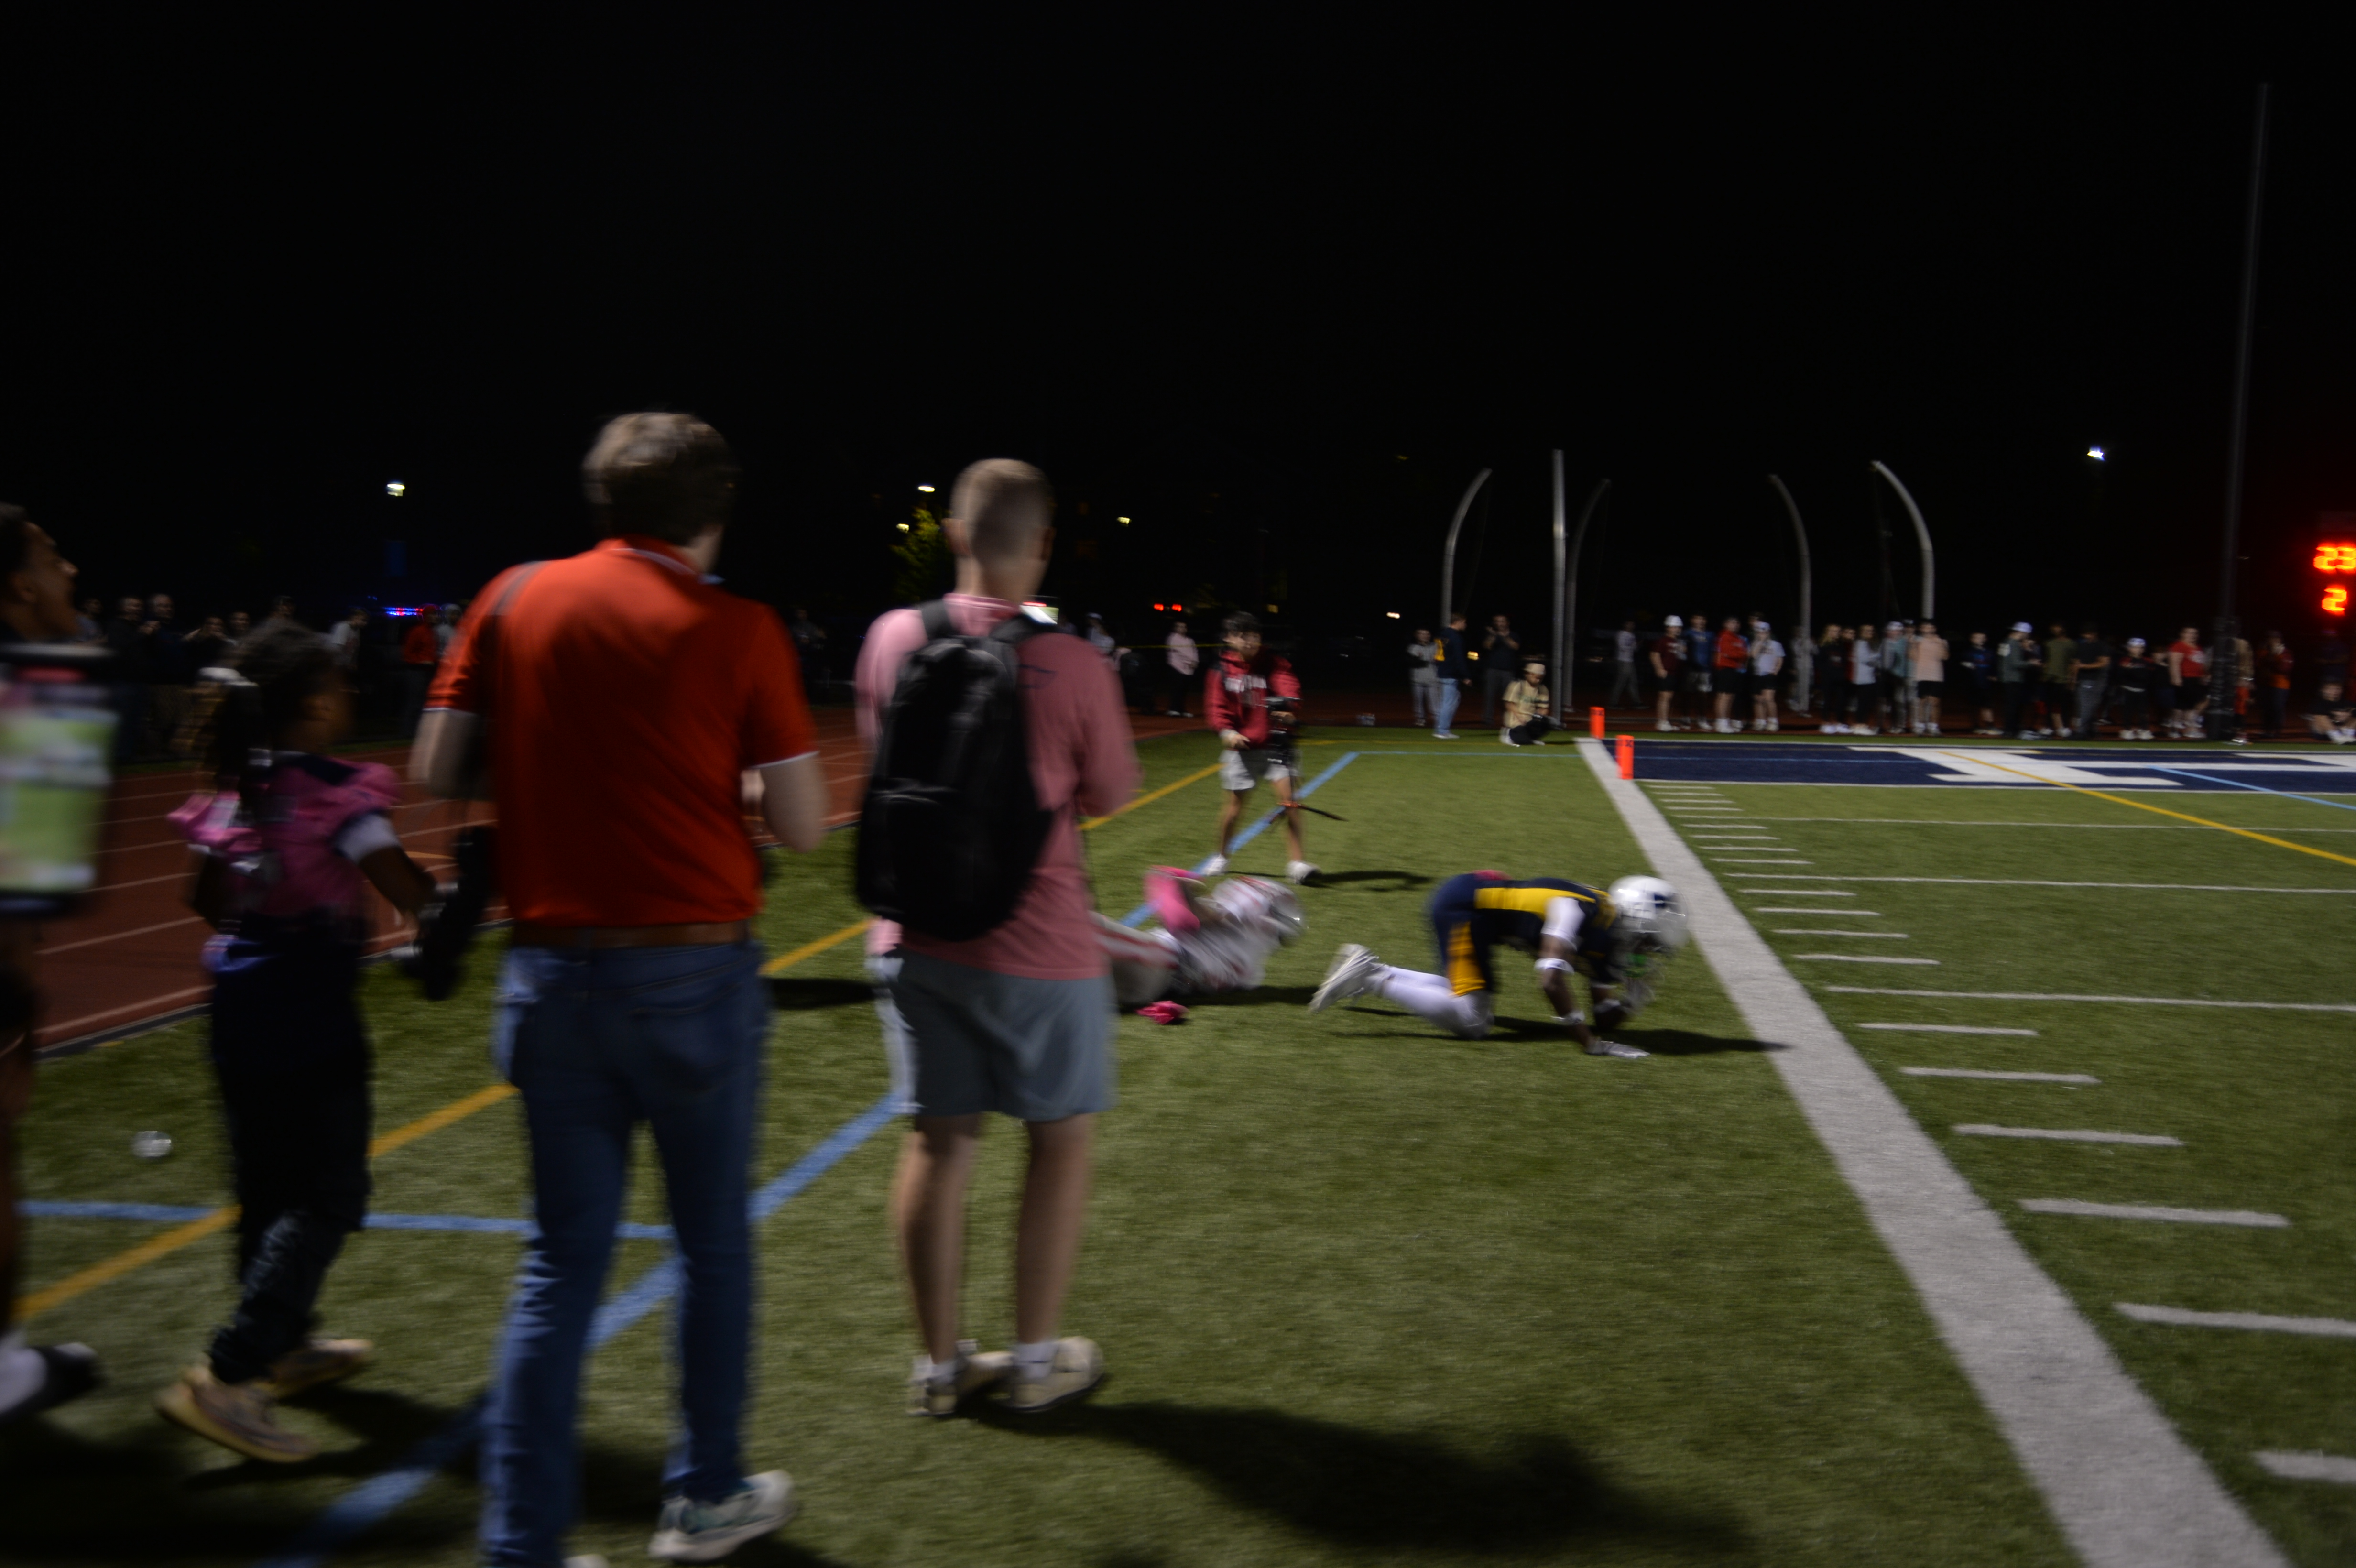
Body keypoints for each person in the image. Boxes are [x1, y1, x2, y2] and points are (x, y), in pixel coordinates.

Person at [416, 412, 829, 1566]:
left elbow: (437, 765)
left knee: (558, 1265)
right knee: (711, 1244)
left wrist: (570, 758)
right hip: (693, 968)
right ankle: (705, 1494)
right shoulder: (739, 625)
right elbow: (804, 824)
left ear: (602, 502)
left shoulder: (511, 597)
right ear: (715, 514)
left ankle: (524, 1543)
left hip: (552, 973)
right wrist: (704, 777)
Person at [853, 457, 1138, 1424]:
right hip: (1038, 943)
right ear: (1044, 544)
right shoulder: (1075, 662)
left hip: (914, 933)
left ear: (954, 534)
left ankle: (939, 1369)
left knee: (938, 1144)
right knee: (1058, 1142)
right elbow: (1111, 792)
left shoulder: (892, 638)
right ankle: (1033, 1362)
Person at [152, 625, 441, 1462]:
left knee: (267, 1187)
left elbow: (208, 899)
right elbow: (407, 890)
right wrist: (446, 902)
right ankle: (231, 1371)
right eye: (341, 684)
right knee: (329, 1193)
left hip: (239, 1008)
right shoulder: (340, 793)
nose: (351, 693)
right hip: (311, 1016)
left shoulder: (241, 786)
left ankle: (282, 1345)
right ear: (315, 704)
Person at [0, 505, 104, 1431]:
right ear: (18, 587)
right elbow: (29, 885)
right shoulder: (42, 682)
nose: (67, 570)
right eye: (50, 558)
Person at [1306, 871, 1687, 1058]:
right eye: (1648, 941)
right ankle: (1373, 977)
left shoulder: (1610, 932)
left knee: (1467, 1001)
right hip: (1465, 906)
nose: (1646, 953)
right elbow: (1550, 981)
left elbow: (1602, 1015)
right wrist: (1589, 1043)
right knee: (1474, 1021)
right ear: (1634, 921)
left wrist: (1629, 1005)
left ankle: (1371, 969)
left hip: (1482, 917)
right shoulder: (1580, 912)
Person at [1205, 610, 1315, 882]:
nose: (1250, 641)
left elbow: (1288, 688)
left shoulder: (1273, 663)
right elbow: (1217, 709)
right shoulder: (1221, 670)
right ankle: (1221, 856)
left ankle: (1297, 865)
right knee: (1233, 810)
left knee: (1291, 804)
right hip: (1242, 750)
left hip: (1277, 746)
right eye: (1243, 636)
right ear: (1229, 638)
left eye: (1254, 636)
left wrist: (1290, 707)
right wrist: (1228, 733)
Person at [1098, 868, 1305, 1008]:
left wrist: (1177, 884)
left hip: (1159, 959)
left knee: (1087, 930)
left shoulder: (1239, 923)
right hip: (1156, 986)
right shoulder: (1252, 973)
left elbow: (1183, 919)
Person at [146, 593, 192, 756]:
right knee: (162, 721)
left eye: (170, 606)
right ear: (153, 608)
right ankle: (155, 755)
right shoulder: (150, 627)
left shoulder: (178, 627)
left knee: (182, 720)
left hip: (180, 682)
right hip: (160, 683)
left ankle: (177, 754)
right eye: (163, 606)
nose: (167, 609)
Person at [398, 606, 441, 738]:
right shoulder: (418, 631)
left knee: (423, 703)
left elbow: (430, 653)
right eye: (433, 615)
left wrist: (437, 661)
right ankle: (407, 733)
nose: (436, 617)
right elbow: (407, 654)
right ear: (426, 616)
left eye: (437, 615)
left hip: (428, 672)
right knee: (415, 703)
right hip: (417, 672)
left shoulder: (432, 632)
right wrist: (421, 662)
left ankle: (417, 732)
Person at [1998, 622, 2041, 737]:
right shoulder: (2014, 644)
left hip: (2007, 678)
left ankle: (2010, 730)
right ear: (2022, 632)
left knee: (2011, 706)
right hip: (2014, 679)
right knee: (2014, 706)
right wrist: (2031, 663)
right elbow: (2016, 663)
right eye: (2027, 634)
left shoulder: (2006, 642)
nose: (2027, 636)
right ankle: (2011, 731)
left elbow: (2003, 661)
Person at [2071, 624, 2112, 740]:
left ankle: (2081, 732)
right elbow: (2076, 663)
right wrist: (2073, 679)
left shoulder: (2101, 646)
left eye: (2088, 634)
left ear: (2095, 634)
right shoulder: (2082, 646)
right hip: (2083, 679)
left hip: (2096, 679)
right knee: (2087, 706)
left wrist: (2085, 666)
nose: (2086, 636)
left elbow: (2104, 663)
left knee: (2086, 706)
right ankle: (2093, 730)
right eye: (2085, 634)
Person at [1432, 612, 1469, 739]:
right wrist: (1465, 676)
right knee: (1448, 703)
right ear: (1459, 622)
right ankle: (1442, 731)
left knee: (1446, 703)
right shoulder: (1456, 637)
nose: (1465, 625)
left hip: (1443, 670)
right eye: (1464, 623)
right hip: (1451, 673)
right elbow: (1459, 658)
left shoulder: (1442, 634)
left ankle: (1441, 729)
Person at [1500, 658, 1553, 746]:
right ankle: (1508, 734)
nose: (1538, 680)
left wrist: (1540, 716)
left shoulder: (1543, 689)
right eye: (1536, 677)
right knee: (1522, 740)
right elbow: (1509, 704)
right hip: (1516, 720)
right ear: (1528, 674)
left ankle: (1531, 738)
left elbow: (1544, 708)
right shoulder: (1518, 685)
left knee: (1548, 723)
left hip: (1530, 720)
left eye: (1540, 678)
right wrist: (1520, 718)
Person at [2114, 638, 2159, 739]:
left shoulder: (2148, 661)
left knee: (2143, 712)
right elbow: (2121, 675)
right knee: (2128, 711)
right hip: (2128, 689)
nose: (2138, 650)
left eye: (2140, 648)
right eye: (2135, 647)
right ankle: (2127, 730)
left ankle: (2144, 729)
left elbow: (2150, 676)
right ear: (2129, 648)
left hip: (2142, 690)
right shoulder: (2125, 660)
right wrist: (2130, 672)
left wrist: (2133, 672)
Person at [1909, 620, 1948, 736]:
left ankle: (1933, 726)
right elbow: (1913, 658)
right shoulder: (1917, 641)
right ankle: (1920, 726)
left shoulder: (1941, 641)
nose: (1928, 629)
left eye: (1930, 627)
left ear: (1934, 629)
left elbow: (1945, 657)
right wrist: (1914, 645)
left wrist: (1940, 644)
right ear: (1921, 629)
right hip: (1922, 675)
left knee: (1935, 702)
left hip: (1936, 675)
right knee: (1922, 701)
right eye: (1925, 627)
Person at [2166, 627, 2206, 739]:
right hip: (2185, 678)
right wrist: (2176, 678)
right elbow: (2174, 663)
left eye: (2195, 633)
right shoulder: (2179, 646)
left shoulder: (2198, 648)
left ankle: (2191, 729)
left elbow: (2200, 665)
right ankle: (2174, 729)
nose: (2192, 635)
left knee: (2192, 706)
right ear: (2183, 634)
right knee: (2181, 706)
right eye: (2189, 633)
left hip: (2196, 679)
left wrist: (2203, 676)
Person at [1481, 614, 1521, 726]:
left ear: (1507, 623)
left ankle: (1507, 719)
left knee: (1508, 697)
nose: (1499, 624)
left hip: (1508, 671)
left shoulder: (1513, 635)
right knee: (1489, 695)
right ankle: (1488, 719)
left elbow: (1515, 647)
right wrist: (1493, 635)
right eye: (1497, 621)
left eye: (1502, 622)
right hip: (1492, 670)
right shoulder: (1491, 635)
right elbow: (1487, 646)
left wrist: (1504, 636)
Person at [1710, 616, 1748, 732]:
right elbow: (1729, 653)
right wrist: (1741, 654)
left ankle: (1725, 721)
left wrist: (1741, 654)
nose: (1734, 625)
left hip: (1734, 669)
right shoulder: (1725, 636)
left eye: (1736, 623)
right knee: (1724, 696)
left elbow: (1743, 654)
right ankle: (1721, 722)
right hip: (1725, 669)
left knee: (1730, 697)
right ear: (1726, 624)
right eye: (1731, 623)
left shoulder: (1738, 639)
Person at [2254, 632, 2292, 740]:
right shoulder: (2264, 651)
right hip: (2266, 684)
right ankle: (2267, 730)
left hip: (2280, 685)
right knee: (2266, 708)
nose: (2273, 641)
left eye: (2275, 639)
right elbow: (2258, 664)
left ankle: (2277, 731)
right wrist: (2272, 657)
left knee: (2277, 708)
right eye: (2271, 639)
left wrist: (2274, 658)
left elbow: (2284, 668)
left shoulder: (2285, 652)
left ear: (2280, 640)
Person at [2041, 622, 2077, 738]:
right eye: (2054, 628)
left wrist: (2072, 679)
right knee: (2049, 706)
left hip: (2063, 680)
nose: (2055, 630)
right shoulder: (2049, 643)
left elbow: (2074, 663)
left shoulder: (2071, 644)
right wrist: (2044, 675)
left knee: (2065, 706)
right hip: (2050, 679)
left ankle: (2065, 727)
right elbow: (2046, 661)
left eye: (2058, 628)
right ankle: (2048, 727)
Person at [1846, 621, 1881, 734]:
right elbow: (1865, 659)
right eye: (1867, 631)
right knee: (1863, 703)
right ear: (1861, 632)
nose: (1870, 633)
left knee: (1865, 703)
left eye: (1871, 631)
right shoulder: (1861, 643)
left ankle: (1861, 725)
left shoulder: (1866, 643)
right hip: (1863, 679)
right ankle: (1859, 725)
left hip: (1867, 678)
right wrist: (1879, 655)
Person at [1649, 615, 1683, 731]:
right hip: (1666, 672)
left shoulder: (1678, 641)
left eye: (1678, 627)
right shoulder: (1663, 640)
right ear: (1668, 628)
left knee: (1670, 698)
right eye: (1674, 627)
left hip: (1674, 673)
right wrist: (1659, 669)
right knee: (1665, 697)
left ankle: (1666, 721)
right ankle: (1662, 721)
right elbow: (1654, 654)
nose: (1676, 629)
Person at [1748, 621, 1784, 731]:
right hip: (1757, 674)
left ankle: (1773, 721)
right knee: (1758, 700)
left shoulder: (1776, 645)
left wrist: (1776, 671)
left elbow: (1780, 659)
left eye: (1764, 632)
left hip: (1769, 674)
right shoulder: (1754, 644)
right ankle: (1761, 721)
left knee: (1769, 699)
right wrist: (1761, 643)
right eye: (1760, 632)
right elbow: (1753, 655)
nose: (1762, 634)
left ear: (1769, 633)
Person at [1680, 611, 1714, 730]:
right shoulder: (1687, 633)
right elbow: (1682, 649)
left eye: (1702, 619)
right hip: (1691, 669)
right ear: (1692, 620)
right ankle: (1686, 719)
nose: (1700, 621)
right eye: (1697, 618)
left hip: (1705, 670)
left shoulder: (1710, 635)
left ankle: (1702, 719)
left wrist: (1712, 667)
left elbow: (1713, 652)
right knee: (1688, 694)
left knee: (1703, 696)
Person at [1958, 630, 1996, 734]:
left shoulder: (1990, 652)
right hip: (1973, 683)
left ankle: (1990, 726)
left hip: (1986, 683)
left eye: (1982, 638)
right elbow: (1962, 665)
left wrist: (1994, 675)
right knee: (1974, 705)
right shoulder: (1968, 652)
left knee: (1988, 705)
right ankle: (1976, 726)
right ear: (1972, 639)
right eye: (1977, 638)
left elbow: (1994, 666)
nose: (1980, 640)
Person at [1816, 624, 1851, 733]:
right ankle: (1825, 723)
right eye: (1834, 631)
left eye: (1838, 631)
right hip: (1828, 678)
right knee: (1828, 701)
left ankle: (1839, 723)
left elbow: (1844, 663)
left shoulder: (1841, 646)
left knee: (1841, 701)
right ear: (1828, 632)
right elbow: (1818, 663)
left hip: (1840, 679)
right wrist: (1827, 672)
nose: (1837, 633)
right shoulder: (1823, 646)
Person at [1164, 618, 1199, 717]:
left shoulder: (1190, 640)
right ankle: (1173, 709)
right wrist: (1190, 662)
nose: (1182, 629)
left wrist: (1195, 662)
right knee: (1176, 689)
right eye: (1180, 627)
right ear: (1175, 628)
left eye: (1184, 627)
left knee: (1184, 690)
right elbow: (1180, 652)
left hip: (1188, 669)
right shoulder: (1172, 638)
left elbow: (1195, 651)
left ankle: (1181, 709)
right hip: (1176, 667)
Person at [1407, 626, 1440, 727]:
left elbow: (1440, 660)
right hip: (1417, 679)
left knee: (1434, 702)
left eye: (1427, 634)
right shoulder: (1413, 648)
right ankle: (1420, 718)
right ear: (1417, 635)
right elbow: (1412, 662)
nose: (1425, 636)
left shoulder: (1435, 646)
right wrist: (1422, 661)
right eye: (1422, 634)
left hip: (1433, 678)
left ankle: (1438, 720)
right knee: (1418, 701)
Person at [2305, 680, 2354, 744]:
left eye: (2337, 689)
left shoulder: (2347, 703)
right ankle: (2337, 736)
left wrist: (2347, 715)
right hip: (2325, 732)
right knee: (2318, 716)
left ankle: (2349, 736)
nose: (2335, 692)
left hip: (2343, 729)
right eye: (2331, 689)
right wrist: (2335, 715)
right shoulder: (2319, 704)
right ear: (2324, 691)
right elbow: (2318, 714)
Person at [1608, 620, 1639, 708]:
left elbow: (1635, 648)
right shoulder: (1621, 634)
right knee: (1621, 682)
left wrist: (1637, 645)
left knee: (1633, 682)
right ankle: (1613, 703)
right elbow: (1622, 647)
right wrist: (1632, 647)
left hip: (1630, 661)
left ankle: (1637, 702)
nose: (1632, 625)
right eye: (1629, 623)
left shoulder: (1632, 635)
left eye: (1633, 624)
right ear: (1625, 624)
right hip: (1623, 661)